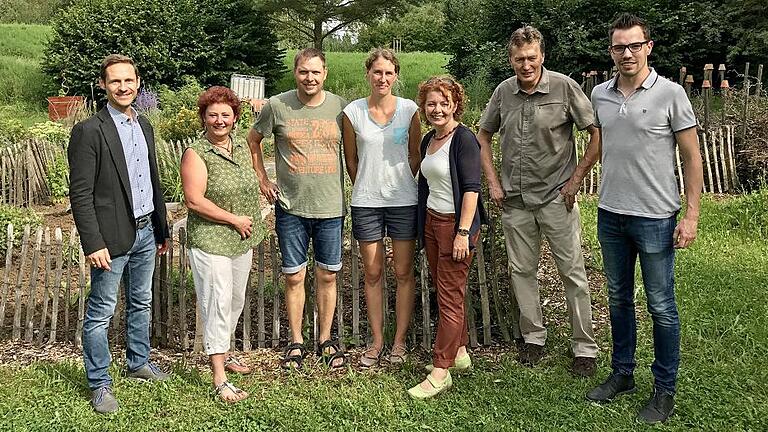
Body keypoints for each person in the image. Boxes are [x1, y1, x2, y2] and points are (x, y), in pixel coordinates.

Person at [582, 14, 703, 424]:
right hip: (611, 213)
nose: (627, 53)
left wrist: (691, 215)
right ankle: (622, 373)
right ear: (611, 51)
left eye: (634, 45)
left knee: (661, 306)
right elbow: (600, 143)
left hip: (655, 217)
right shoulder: (600, 94)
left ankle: (664, 389)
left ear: (649, 47)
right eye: (619, 47)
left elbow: (691, 157)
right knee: (617, 298)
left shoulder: (670, 94)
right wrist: (576, 178)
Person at [477, 25, 599, 375]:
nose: (525, 65)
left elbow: (595, 134)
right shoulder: (503, 92)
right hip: (515, 201)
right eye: (519, 59)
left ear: (542, 56)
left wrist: (575, 182)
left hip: (556, 199)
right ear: (511, 60)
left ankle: (584, 348)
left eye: (531, 58)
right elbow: (483, 136)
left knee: (572, 273)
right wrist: (493, 183)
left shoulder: (564, 88)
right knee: (522, 272)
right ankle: (533, 339)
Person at [68, 54, 171, 414]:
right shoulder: (89, 131)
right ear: (103, 85)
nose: (123, 87)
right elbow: (80, 194)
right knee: (101, 312)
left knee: (141, 302)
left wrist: (162, 228)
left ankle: (138, 363)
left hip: (145, 232)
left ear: (138, 83)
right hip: (111, 240)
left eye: (129, 81)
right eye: (115, 81)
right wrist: (93, 242)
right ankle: (99, 384)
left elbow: (152, 181)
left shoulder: (144, 126)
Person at [248, 48, 348, 369]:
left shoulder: (339, 109)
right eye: (304, 72)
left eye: (315, 72)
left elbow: (359, 148)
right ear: (296, 73)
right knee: (294, 277)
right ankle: (296, 342)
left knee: (327, 275)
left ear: (325, 74)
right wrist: (263, 178)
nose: (310, 78)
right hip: (290, 208)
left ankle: (326, 340)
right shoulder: (277, 106)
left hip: (331, 207)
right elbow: (253, 140)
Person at [181, 86, 265, 403]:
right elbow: (193, 200)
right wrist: (233, 219)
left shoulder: (240, 147)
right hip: (212, 239)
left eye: (225, 115)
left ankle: (225, 352)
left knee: (234, 300)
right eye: (213, 115)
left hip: (240, 239)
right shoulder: (196, 153)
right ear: (204, 118)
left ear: (234, 118)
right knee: (216, 302)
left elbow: (252, 178)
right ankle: (219, 377)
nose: (219, 121)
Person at [408, 76, 486, 400]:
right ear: (424, 108)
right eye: (431, 103)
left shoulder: (464, 139)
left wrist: (463, 234)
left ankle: (441, 371)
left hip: (457, 226)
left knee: (449, 297)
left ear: (455, 104)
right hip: (432, 222)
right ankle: (461, 352)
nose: (437, 109)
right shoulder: (429, 138)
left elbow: (471, 189)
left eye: (444, 102)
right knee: (449, 291)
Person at [341, 48, 421, 367]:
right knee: (372, 273)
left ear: (396, 76)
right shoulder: (353, 112)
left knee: (403, 272)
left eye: (388, 73)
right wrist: (367, 185)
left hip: (404, 201)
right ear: (368, 74)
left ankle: (399, 341)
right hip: (367, 203)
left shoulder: (409, 110)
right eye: (377, 72)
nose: (382, 78)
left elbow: (416, 153)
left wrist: (400, 180)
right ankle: (377, 341)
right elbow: (351, 159)